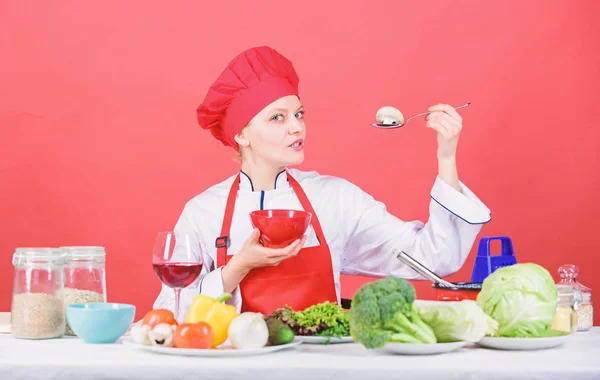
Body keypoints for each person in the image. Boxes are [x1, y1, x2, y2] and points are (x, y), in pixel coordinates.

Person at [153, 46, 491, 319]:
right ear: (241, 134)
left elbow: (434, 258)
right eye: (278, 118)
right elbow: (170, 312)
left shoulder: (335, 199)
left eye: (298, 114)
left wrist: (446, 158)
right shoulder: (203, 212)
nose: (297, 128)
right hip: (237, 370)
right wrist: (238, 265)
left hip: (324, 366)